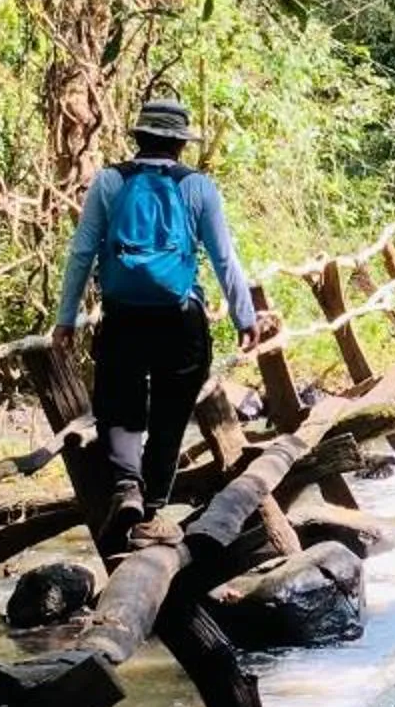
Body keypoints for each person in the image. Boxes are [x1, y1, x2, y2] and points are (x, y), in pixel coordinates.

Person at [50, 96, 261, 545]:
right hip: (181, 318)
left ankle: (127, 485)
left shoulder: (109, 181)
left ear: (140, 138)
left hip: (123, 316)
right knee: (171, 412)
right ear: (180, 144)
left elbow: (82, 253)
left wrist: (65, 317)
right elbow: (224, 258)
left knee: (118, 404)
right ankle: (150, 512)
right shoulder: (198, 187)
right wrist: (245, 316)